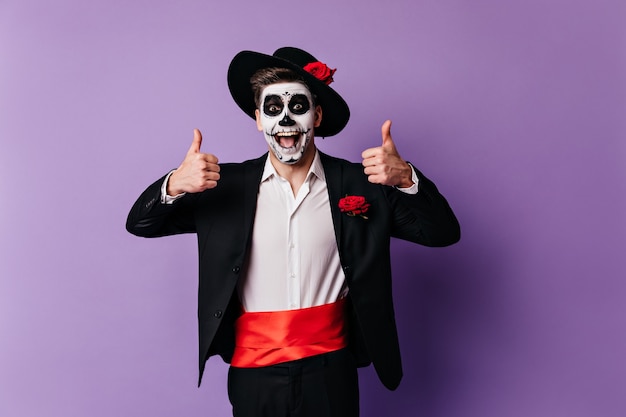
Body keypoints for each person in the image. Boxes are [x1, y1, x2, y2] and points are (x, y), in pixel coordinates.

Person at [126, 46, 460, 417]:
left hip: (332, 369)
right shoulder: (223, 187)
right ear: (257, 119)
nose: (285, 120)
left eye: (297, 107)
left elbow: (442, 232)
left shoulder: (361, 184)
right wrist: (173, 184)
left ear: (316, 115)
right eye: (272, 109)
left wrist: (407, 179)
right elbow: (140, 224)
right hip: (253, 373)